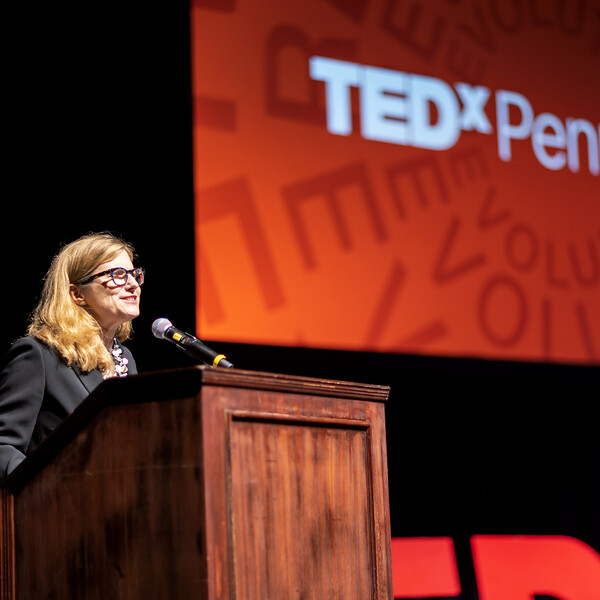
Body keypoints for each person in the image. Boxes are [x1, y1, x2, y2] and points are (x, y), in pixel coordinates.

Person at [0, 232, 144, 480]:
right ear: (77, 294)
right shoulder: (40, 354)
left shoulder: (125, 359)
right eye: (117, 275)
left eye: (134, 274)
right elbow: (4, 446)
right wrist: (41, 489)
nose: (133, 284)